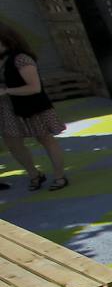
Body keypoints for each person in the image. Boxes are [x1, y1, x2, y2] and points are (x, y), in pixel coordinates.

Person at [0, 24, 68, 191]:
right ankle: (34, 174)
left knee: (45, 139)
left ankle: (59, 176)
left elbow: (34, 87)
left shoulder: (21, 58)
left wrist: (6, 91)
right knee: (12, 143)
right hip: (7, 109)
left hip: (32, 106)